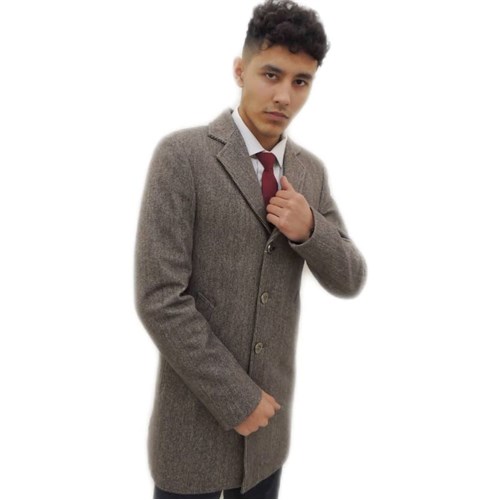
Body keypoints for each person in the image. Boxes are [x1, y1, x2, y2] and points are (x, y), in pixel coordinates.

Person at [134, 0, 367, 498]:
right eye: (271, 74)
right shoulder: (182, 157)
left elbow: (350, 278)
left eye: (301, 82)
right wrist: (238, 399)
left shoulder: (309, 172)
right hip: (192, 432)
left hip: (267, 442)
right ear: (241, 71)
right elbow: (160, 298)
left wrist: (310, 229)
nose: (284, 95)